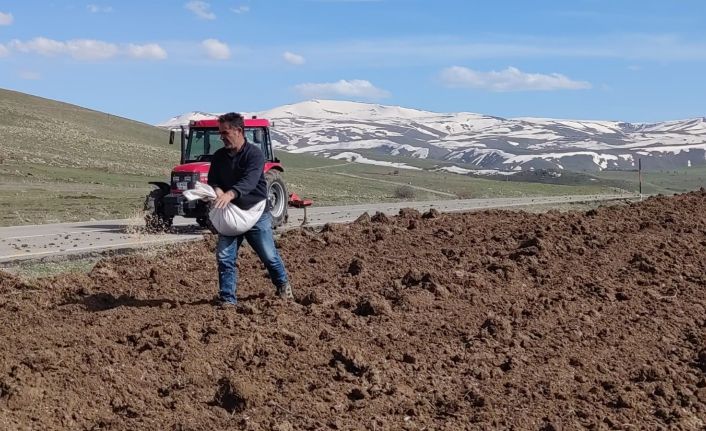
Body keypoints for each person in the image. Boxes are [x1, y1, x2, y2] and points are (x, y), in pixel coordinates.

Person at [207, 112, 293, 305]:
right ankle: (228, 300)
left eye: (225, 132)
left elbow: (250, 181)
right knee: (224, 257)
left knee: (269, 256)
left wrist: (230, 194)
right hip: (230, 214)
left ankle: (283, 285)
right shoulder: (219, 157)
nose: (221, 137)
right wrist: (218, 191)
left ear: (238, 131)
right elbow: (213, 180)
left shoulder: (254, 154)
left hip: (256, 212)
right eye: (220, 133)